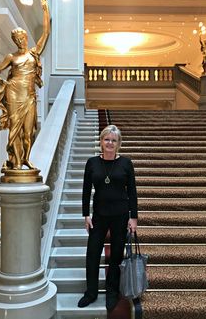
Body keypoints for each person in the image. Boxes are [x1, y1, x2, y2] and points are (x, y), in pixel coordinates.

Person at [78, 124, 138, 311]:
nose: (110, 143)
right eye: (107, 139)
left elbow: (133, 192)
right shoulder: (92, 163)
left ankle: (112, 292)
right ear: (101, 141)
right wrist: (85, 215)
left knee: (116, 256)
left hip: (120, 216)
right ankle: (91, 292)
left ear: (118, 143)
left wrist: (133, 217)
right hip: (99, 216)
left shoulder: (126, 163)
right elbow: (86, 189)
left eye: (113, 140)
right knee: (93, 254)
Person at [0, 0, 50, 170]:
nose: (20, 41)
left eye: (22, 38)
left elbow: (46, 31)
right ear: (14, 41)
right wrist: (1, 82)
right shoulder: (11, 56)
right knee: (13, 130)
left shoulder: (34, 53)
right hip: (13, 92)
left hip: (29, 96)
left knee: (28, 132)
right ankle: (16, 162)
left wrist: (44, 7)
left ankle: (26, 158)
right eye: (16, 39)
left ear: (26, 38)